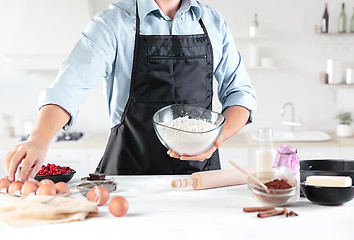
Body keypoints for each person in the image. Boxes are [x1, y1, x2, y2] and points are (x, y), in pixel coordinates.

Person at [3, 0, 257, 181]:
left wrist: (217, 138)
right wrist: (38, 138)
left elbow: (240, 94)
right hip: (129, 178)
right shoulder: (112, 23)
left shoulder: (213, 22)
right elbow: (69, 85)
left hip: (202, 179)